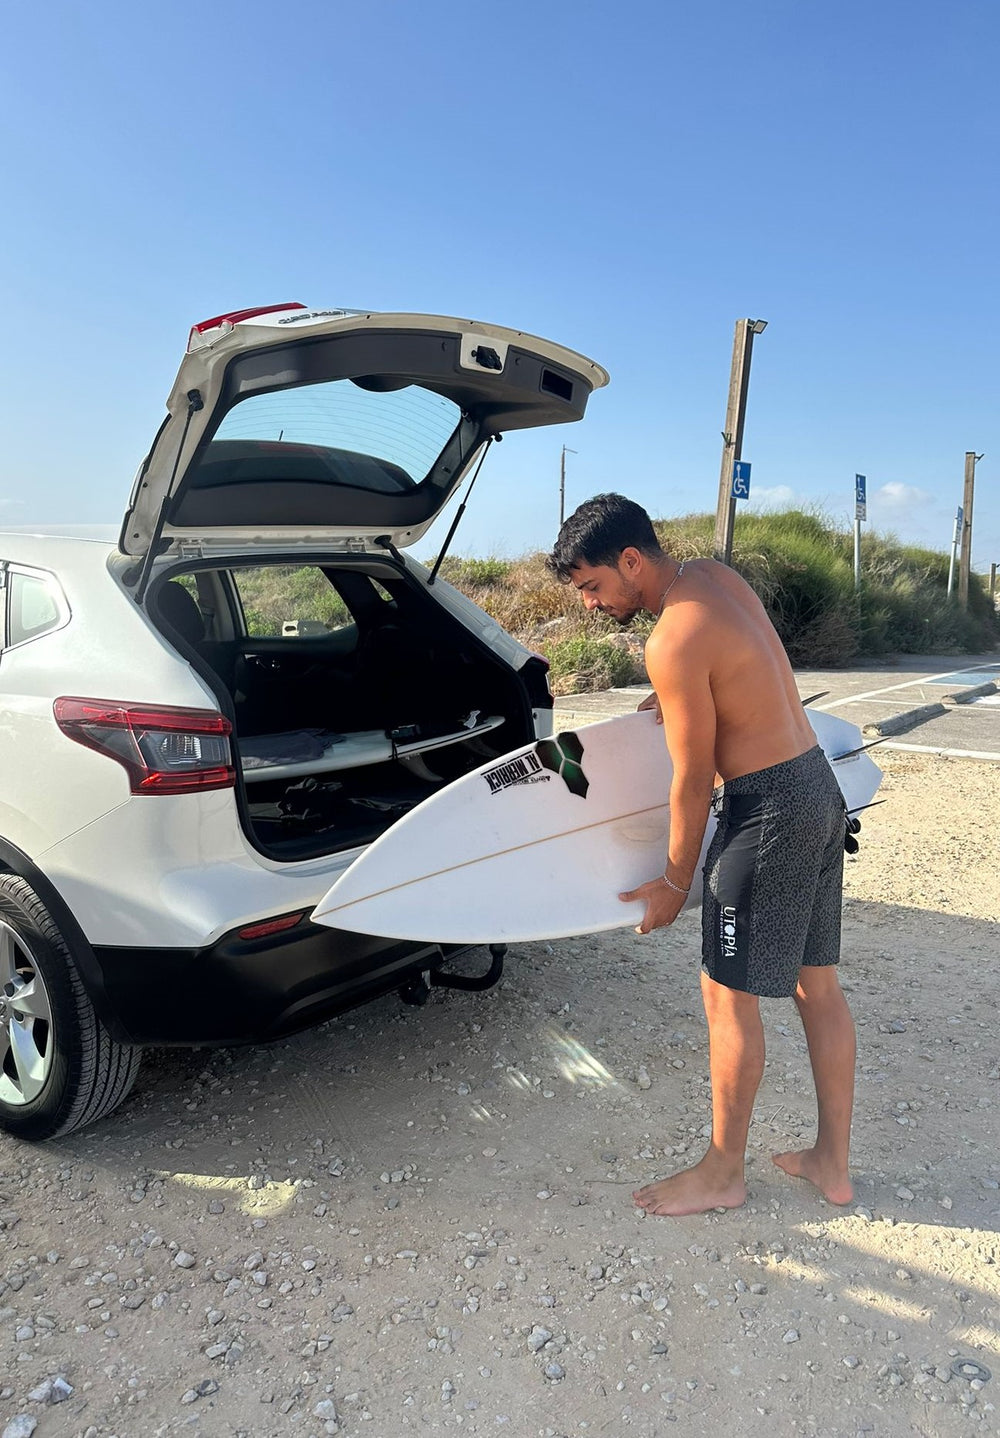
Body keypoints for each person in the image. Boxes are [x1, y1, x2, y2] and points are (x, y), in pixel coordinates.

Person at [547, 493, 856, 1217]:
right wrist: (688, 695)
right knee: (818, 986)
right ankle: (831, 1163)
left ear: (631, 561)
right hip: (816, 788)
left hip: (768, 813)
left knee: (726, 997)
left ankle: (723, 1173)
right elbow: (746, 670)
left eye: (593, 587)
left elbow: (692, 781)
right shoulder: (717, 580)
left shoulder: (672, 640)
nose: (592, 606)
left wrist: (675, 882)